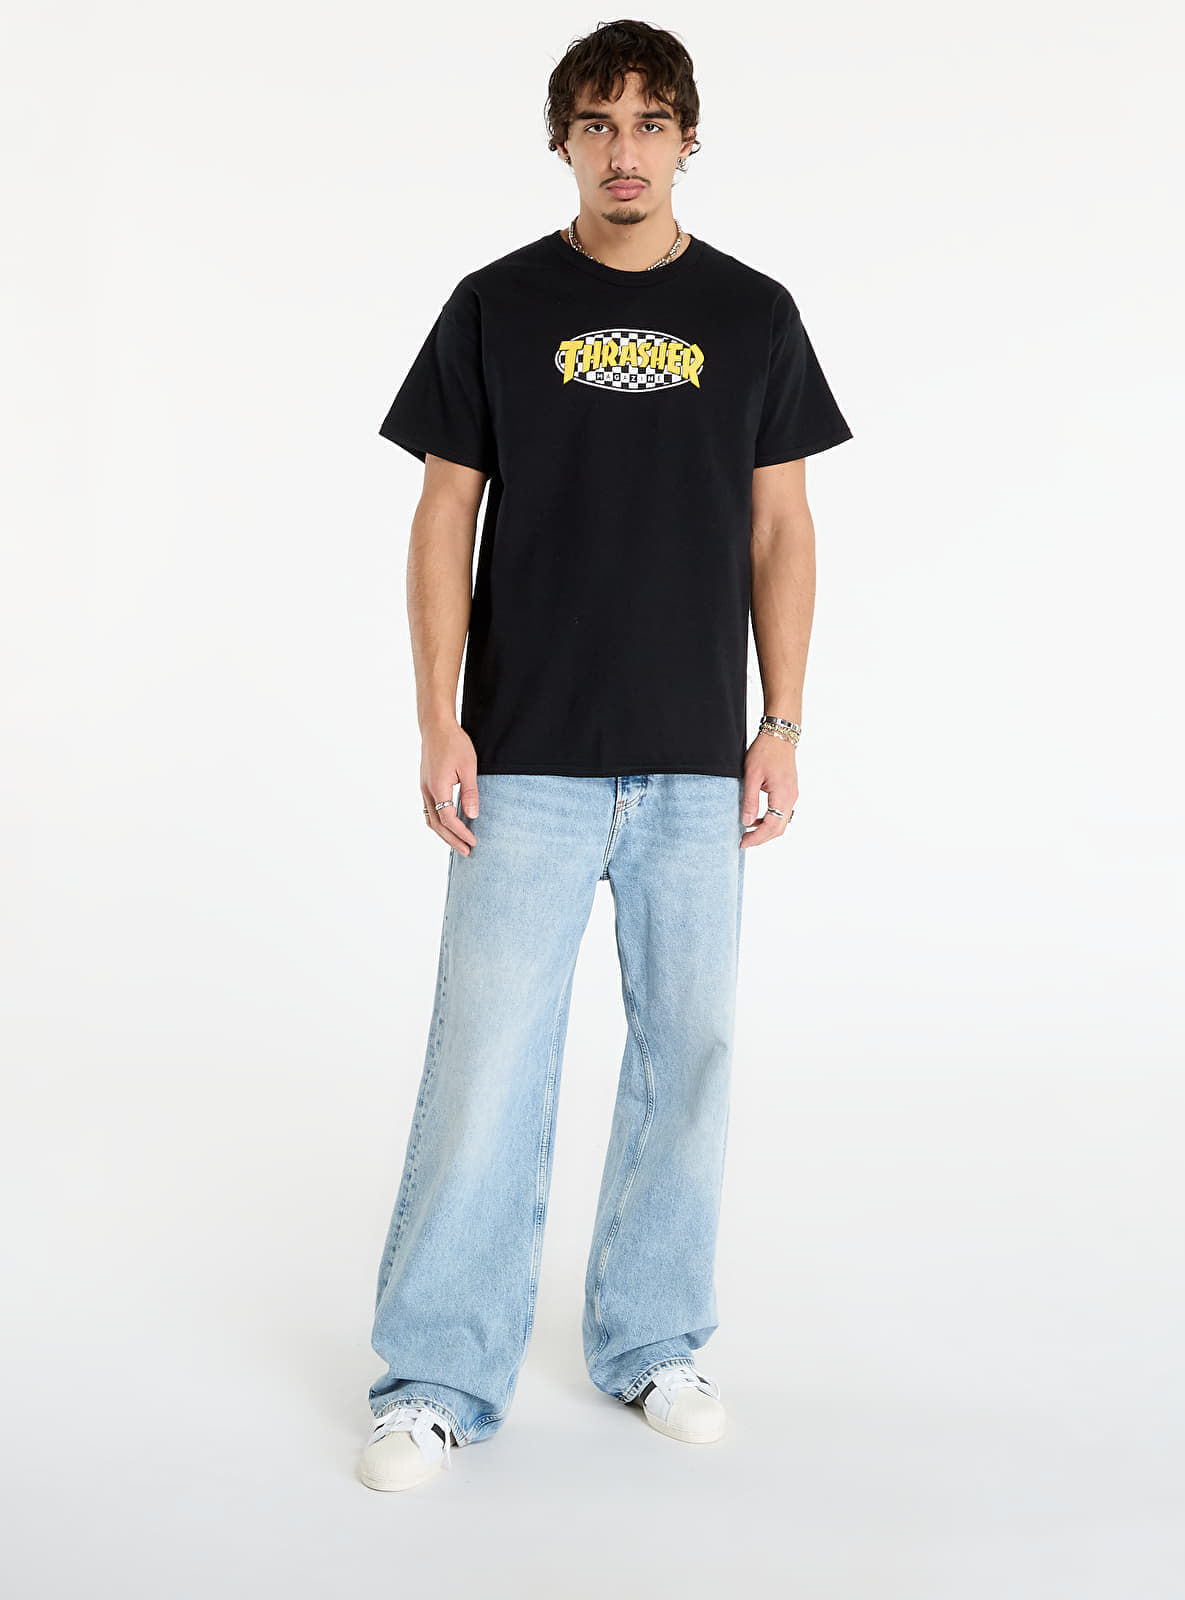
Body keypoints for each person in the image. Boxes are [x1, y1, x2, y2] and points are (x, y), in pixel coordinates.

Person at [358, 19, 853, 1491]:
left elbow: (782, 525)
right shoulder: (496, 307)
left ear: (688, 139)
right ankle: (435, 1379)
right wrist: (437, 713)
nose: (623, 150)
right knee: (486, 1066)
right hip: (523, 757)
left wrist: (781, 723)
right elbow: (445, 512)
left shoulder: (754, 314)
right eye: (596, 122)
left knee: (687, 1059)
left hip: (697, 762)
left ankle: (654, 1342)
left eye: (649, 122)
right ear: (562, 141)